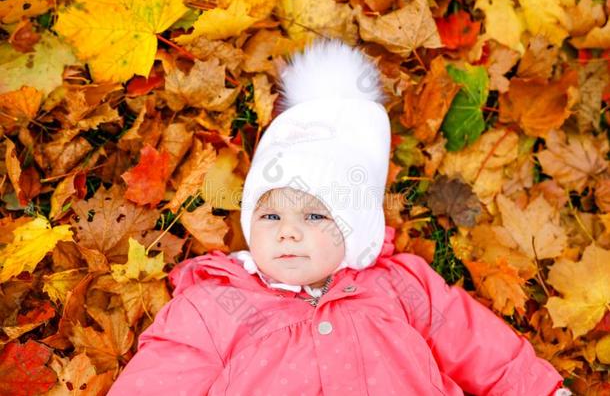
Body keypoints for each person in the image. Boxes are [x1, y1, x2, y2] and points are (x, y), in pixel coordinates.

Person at [106, 38, 571, 395]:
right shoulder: (215, 304)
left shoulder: (400, 286)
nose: (288, 230)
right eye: (270, 217)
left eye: (313, 216)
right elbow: (165, 373)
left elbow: (479, 347)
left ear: (354, 227)